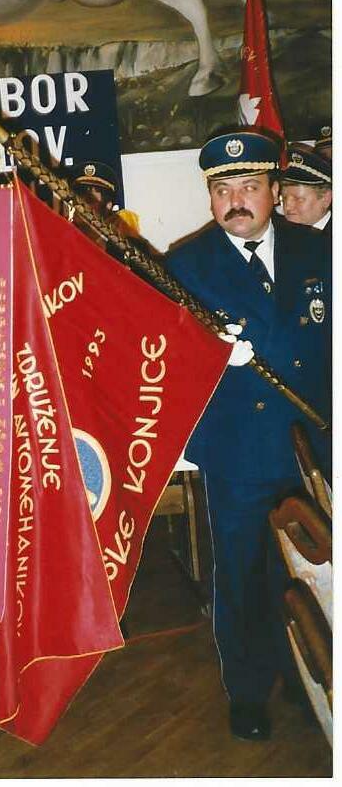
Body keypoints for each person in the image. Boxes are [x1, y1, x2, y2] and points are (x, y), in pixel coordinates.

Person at [166, 128, 332, 743]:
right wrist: (207, 354)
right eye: (223, 189)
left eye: (249, 186)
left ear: (274, 190)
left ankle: (311, 676)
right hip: (236, 447)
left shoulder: (319, 251)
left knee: (314, 572)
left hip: (313, 444)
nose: (235, 200)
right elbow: (162, 361)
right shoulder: (185, 265)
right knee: (240, 574)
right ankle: (248, 691)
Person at [280, 142, 332, 235]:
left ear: (326, 199)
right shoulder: (281, 233)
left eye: (298, 199)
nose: (287, 207)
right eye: (284, 198)